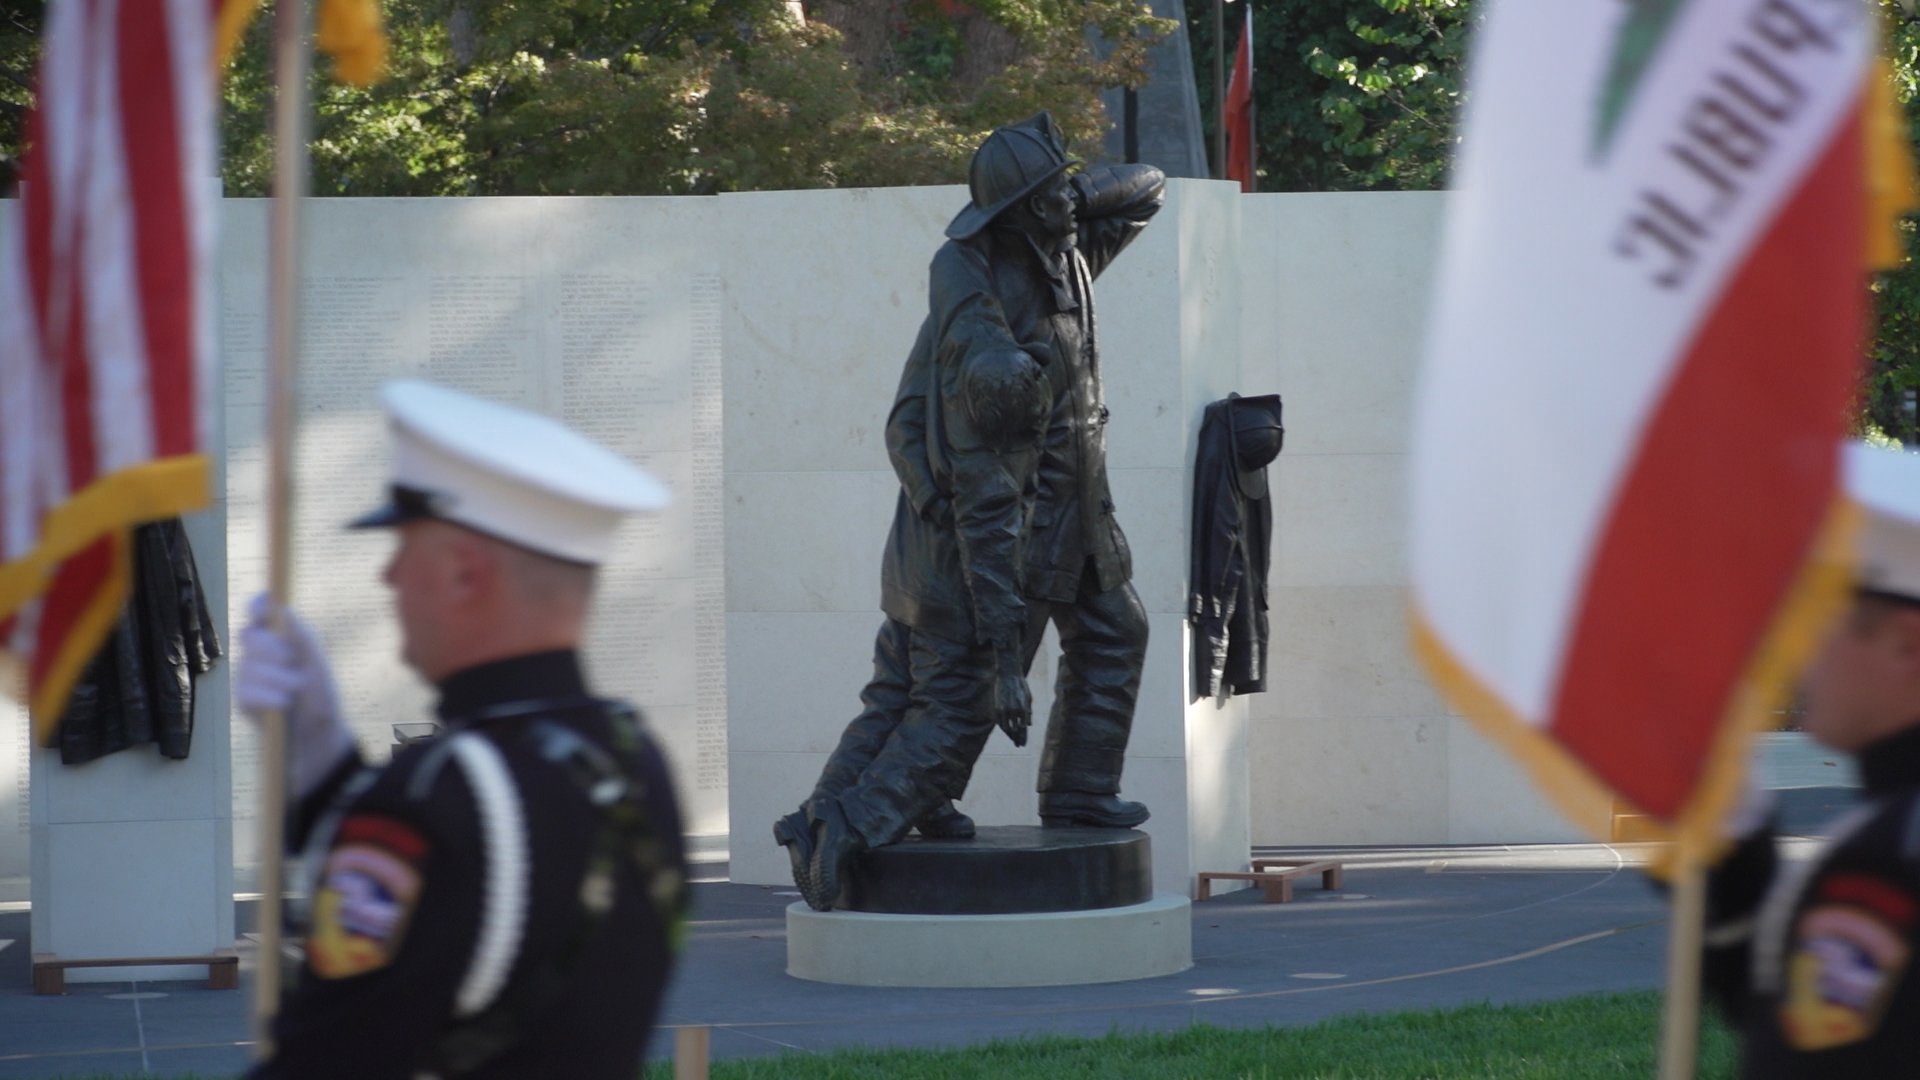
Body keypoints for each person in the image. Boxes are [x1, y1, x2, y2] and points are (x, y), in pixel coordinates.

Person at [236, 379, 688, 1079]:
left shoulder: (439, 794)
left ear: (462, 575)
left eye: (403, 548)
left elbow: (323, 1060)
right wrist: (321, 763)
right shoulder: (632, 755)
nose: (388, 577)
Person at [777, 343, 1053, 910]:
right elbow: (995, 577)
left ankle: (814, 815)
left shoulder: (941, 419)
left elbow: (900, 425)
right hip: (954, 611)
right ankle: (847, 827)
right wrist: (1008, 670)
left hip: (907, 588)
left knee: (887, 704)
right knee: (948, 722)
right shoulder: (994, 479)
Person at [1703, 441, 1920, 1076]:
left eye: (1814, 622)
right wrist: (1734, 842)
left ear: (1906, 643)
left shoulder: (1886, 860)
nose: (1794, 656)